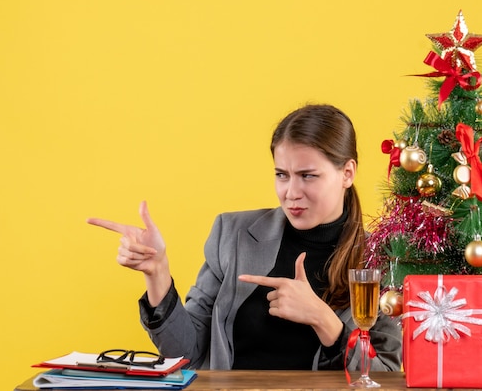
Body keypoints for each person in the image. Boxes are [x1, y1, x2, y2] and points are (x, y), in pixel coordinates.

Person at [87, 104, 402, 371]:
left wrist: (324, 321)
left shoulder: (385, 257)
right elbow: (186, 353)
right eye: (282, 175)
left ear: (347, 173)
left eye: (308, 176)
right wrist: (157, 273)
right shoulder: (233, 234)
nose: (291, 193)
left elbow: (385, 373)